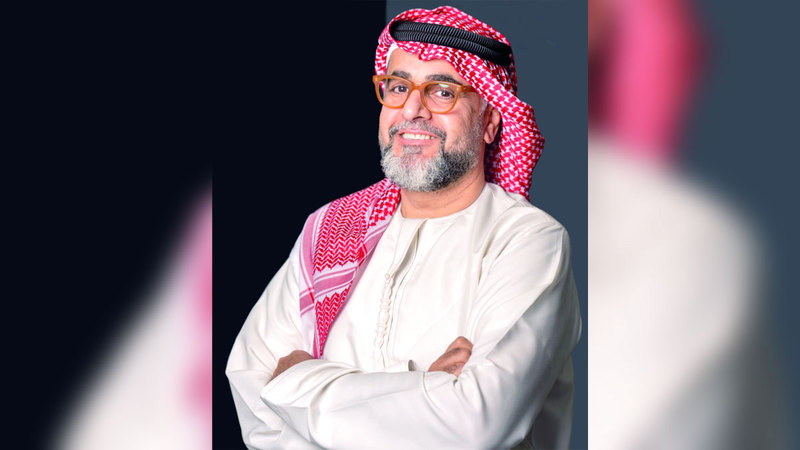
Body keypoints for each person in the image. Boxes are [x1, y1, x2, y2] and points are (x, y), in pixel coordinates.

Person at [226, 6, 582, 449]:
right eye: (398, 87)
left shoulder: (527, 241)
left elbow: (473, 426)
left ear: (490, 122)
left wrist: (296, 381)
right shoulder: (330, 228)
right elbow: (252, 390)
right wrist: (423, 386)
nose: (412, 110)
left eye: (442, 92)